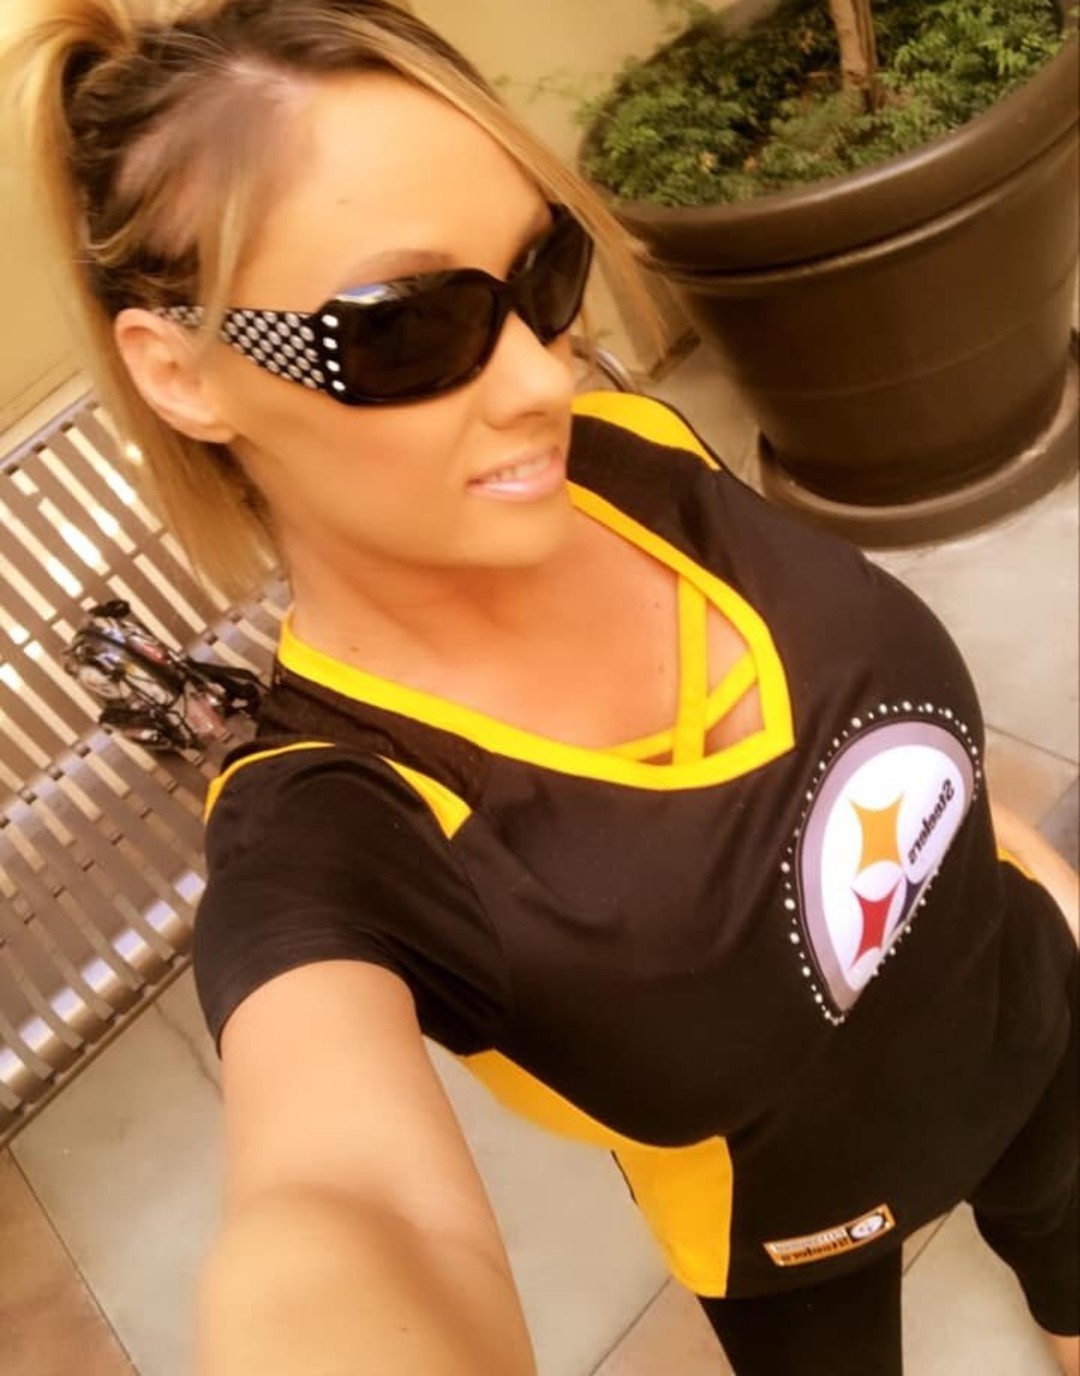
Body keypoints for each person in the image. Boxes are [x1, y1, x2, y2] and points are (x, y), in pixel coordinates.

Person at [3, 2, 1077, 1373]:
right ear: (181, 373)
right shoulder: (334, 832)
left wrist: (1014, 863)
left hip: (1045, 1025)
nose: (540, 375)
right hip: (797, 1240)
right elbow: (344, 1210)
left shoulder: (628, 451)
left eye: (543, 272)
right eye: (405, 328)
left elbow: (851, 718)